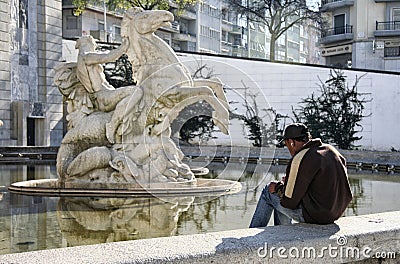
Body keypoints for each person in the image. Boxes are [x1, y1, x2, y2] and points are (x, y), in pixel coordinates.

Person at [249, 123, 352, 227]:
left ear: (291, 142)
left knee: (269, 191)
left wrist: (278, 187)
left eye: (287, 144)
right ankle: (283, 232)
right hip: (335, 212)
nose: (288, 148)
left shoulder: (300, 158)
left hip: (316, 216)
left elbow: (289, 202)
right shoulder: (331, 150)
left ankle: (252, 238)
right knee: (281, 192)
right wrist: (289, 184)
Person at [75, 35, 143, 143]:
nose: (94, 48)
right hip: (102, 96)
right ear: (88, 43)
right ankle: (112, 125)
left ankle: (124, 127)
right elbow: (107, 57)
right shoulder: (86, 57)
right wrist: (123, 47)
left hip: (104, 95)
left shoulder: (82, 60)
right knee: (136, 91)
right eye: (94, 45)